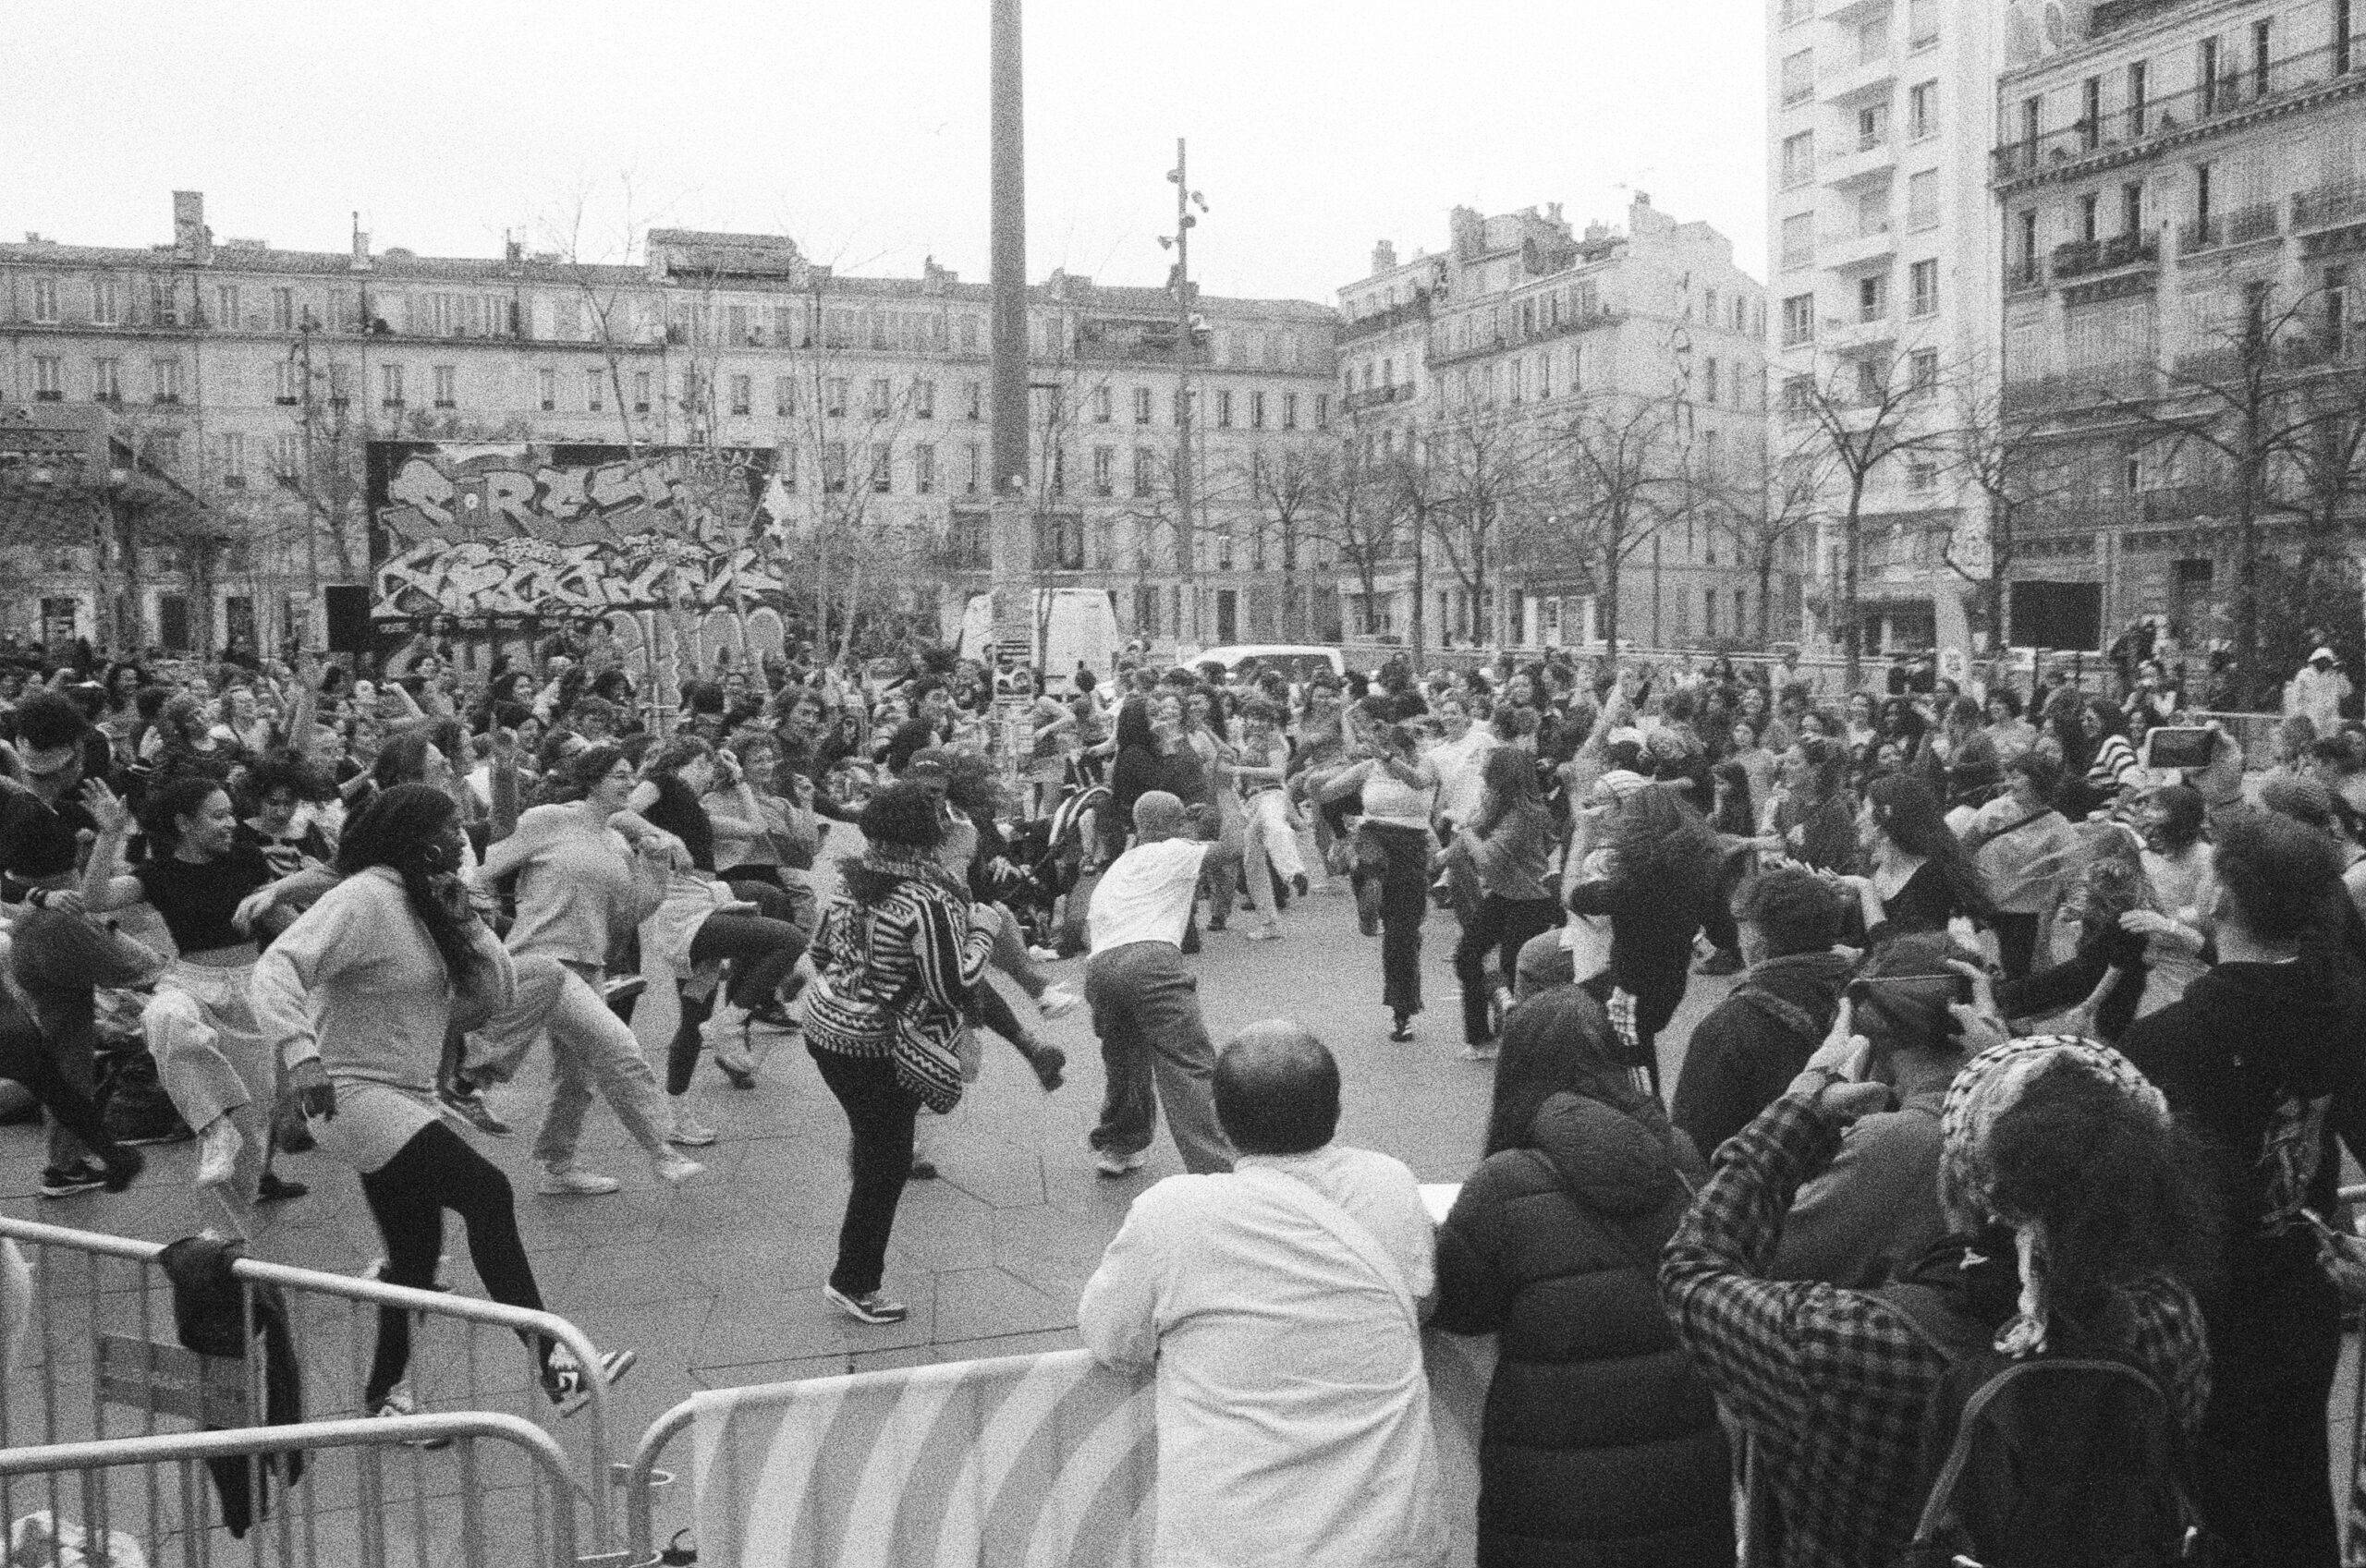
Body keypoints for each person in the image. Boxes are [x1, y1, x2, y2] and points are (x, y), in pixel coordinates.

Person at [1660, 1028, 2218, 1568]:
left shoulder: (1845, 1343)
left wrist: (1802, 1109)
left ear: (1957, 1182)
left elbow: (1691, 1273)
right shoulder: (2167, 1323)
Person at [249, 784, 634, 1423]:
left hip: (406, 1094)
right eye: (450, 827)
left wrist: (469, 923)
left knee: (415, 1256)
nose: (463, 839)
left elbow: (495, 994)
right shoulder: (363, 896)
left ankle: (382, 1397)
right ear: (415, 837)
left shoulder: (420, 901)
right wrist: (300, 1053)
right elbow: (276, 968)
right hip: (351, 1092)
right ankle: (557, 1365)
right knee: (486, 1191)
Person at [1079, 1022, 1443, 1568]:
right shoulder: (1388, 1183)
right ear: (1337, 1113)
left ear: (1222, 1125)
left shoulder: (1173, 1215)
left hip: (1236, 1543)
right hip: (1388, 1537)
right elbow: (1422, 1301)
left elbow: (1113, 1338)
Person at [2118, 809, 2366, 1568]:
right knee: (2294, 1490)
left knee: (2203, 1503)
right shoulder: (2345, 1009)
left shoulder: (2167, 1040)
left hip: (2201, 1309)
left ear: (2220, 896)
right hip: (2303, 1286)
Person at [1433, 988, 1730, 1566]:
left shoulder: (1503, 1181)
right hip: (1682, 1445)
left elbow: (1463, 1310)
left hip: (1548, 1470)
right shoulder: (1679, 1158)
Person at [796, 781, 1000, 1324]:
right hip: (873, 1045)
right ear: (929, 835)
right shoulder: (924, 900)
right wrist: (983, 932)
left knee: (877, 1139)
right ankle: (854, 1281)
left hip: (825, 1025)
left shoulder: (849, 885)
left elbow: (817, 952)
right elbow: (953, 985)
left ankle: (867, 1157)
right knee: (885, 1163)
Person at [79, 776, 308, 1218]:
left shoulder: (245, 860)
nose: (231, 823)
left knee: (255, 1119)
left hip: (252, 989)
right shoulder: (159, 872)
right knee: (167, 1020)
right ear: (184, 823)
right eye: (218, 815)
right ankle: (212, 1124)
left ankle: (235, 1226)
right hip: (192, 982)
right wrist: (109, 835)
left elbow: (282, 921)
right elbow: (94, 899)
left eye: (231, 813)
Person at [2, 691, 165, 1198]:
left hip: (30, 944)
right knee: (173, 976)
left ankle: (64, 1168)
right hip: (64, 933)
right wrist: (105, 838)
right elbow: (89, 897)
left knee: (65, 1055)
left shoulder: (23, 801)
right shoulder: (39, 814)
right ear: (74, 751)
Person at [1765, 934, 1973, 1287]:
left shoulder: (1897, 1140)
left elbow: (1765, 1254)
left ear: (1875, 1029)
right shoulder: (1990, 1097)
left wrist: (1807, 1086)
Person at [1083, 791, 1234, 1178]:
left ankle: (1120, 1145)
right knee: (1187, 1065)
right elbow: (1233, 849)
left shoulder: (1119, 866)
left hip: (1101, 965)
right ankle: (1216, 1168)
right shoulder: (1174, 850)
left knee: (1123, 1060)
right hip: (1151, 959)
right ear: (1177, 824)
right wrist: (1222, 810)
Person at [1670, 867, 1850, 1159]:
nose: (1738, 940)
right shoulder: (1858, 995)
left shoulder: (1727, 1028)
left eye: (1741, 927)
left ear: (1757, 941)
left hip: (1764, 1183)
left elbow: (1694, 1145)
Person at [1566, 783, 1725, 1097]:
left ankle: (1652, 1133)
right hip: (1669, 987)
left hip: (1629, 991)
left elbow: (1573, 897)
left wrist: (1581, 838)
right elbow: (1723, 934)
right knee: (1640, 1061)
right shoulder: (1700, 876)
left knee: (1638, 1080)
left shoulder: (1634, 884)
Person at [1320, 721, 1439, 1040]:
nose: (1390, 756)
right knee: (1370, 860)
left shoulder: (1425, 764)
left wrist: (1386, 758)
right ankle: (1367, 899)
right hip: (1374, 834)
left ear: (1408, 749)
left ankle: (1402, 1013)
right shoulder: (1368, 767)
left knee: (1402, 935)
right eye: (1385, 748)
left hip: (1412, 845)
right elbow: (1327, 792)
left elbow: (1417, 781)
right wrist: (1344, 820)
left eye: (1398, 749)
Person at [1440, 748, 1559, 1059]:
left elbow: (1488, 860)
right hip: (1505, 896)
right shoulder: (1497, 805)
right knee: (1468, 955)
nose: (1480, 773)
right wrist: (1444, 854)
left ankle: (1526, 1042)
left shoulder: (1523, 815)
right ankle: (1480, 1038)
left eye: (1486, 769)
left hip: (1531, 900)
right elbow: (1469, 842)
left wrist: (1465, 833)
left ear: (1501, 776)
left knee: (1515, 970)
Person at [1959, 750, 2079, 980]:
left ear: (2037, 780)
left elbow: (2072, 870)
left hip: (2025, 913)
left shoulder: (2058, 825)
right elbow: (1965, 849)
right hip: (1986, 904)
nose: (2009, 783)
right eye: (2008, 776)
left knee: (2017, 970)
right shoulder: (1994, 810)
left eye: (2016, 777)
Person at [1835, 772, 1992, 945]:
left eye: (1865, 810)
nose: (1858, 820)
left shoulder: (1932, 877)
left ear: (1886, 819)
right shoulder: (1875, 866)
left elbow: (1897, 953)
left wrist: (1866, 889)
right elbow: (1861, 940)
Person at [2287, 646, 2351, 737]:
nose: (2324, 662)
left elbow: (2346, 692)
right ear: (2315, 659)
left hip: (2330, 717)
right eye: (2321, 659)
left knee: (2329, 744)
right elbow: (2296, 695)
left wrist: (2341, 674)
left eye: (2327, 660)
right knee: (2310, 743)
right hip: (2309, 715)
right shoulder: (2304, 674)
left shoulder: (2335, 675)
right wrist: (2298, 714)